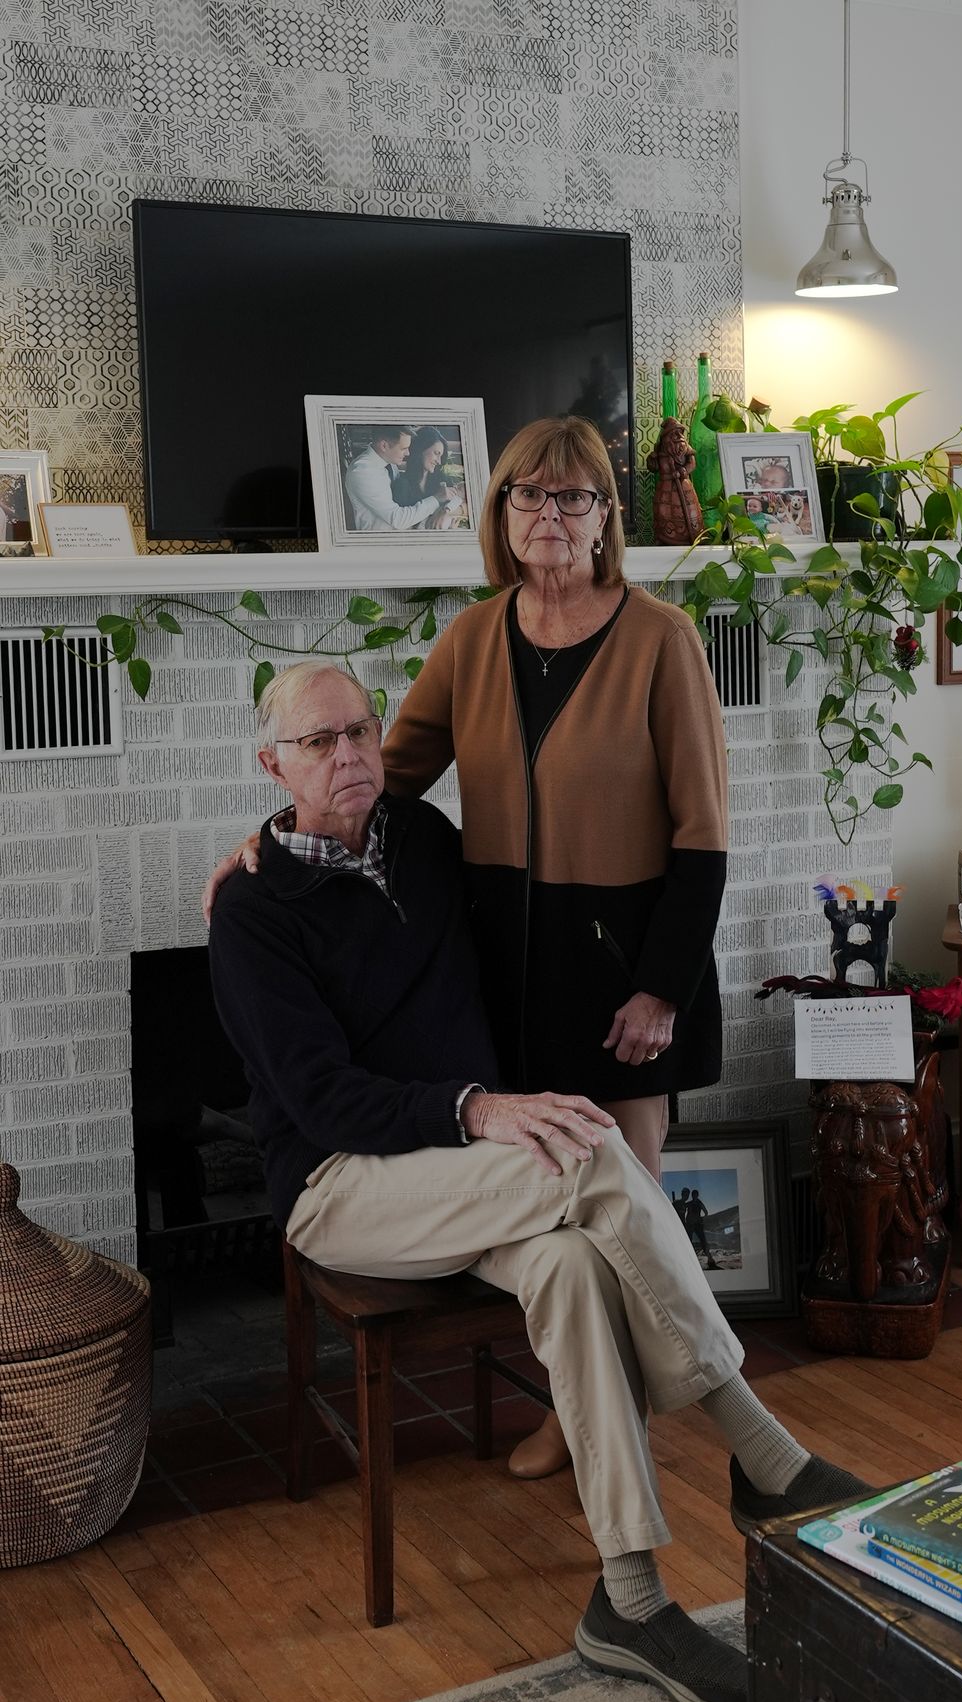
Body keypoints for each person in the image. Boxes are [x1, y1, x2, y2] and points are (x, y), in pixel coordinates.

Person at [207, 661, 870, 1702]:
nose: (350, 755)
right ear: (272, 763)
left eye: (363, 731)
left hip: (463, 1173)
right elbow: (321, 1099)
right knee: (587, 1148)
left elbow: (549, 909)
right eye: (320, 741)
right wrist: (480, 1107)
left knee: (566, 1260)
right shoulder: (250, 911)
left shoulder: (423, 841)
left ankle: (630, 1597)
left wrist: (649, 980)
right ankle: (762, 1452)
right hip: (340, 1185)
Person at [203, 414, 732, 1486]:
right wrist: (264, 838)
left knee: (622, 1187)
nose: (549, 515)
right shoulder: (473, 637)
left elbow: (705, 833)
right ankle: (598, 1414)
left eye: (572, 497)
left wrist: (660, 988)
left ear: (603, 517)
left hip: (630, 972)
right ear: (501, 516)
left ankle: (637, 1407)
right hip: (514, 971)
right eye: (528, 497)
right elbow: (369, 769)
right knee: (574, 1202)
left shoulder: (662, 638)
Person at [342, 427, 452, 533]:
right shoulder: (363, 471)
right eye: (403, 448)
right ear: (384, 446)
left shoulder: (388, 462)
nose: (408, 453)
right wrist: (436, 499)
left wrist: (446, 510)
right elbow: (398, 520)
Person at [391, 424, 463, 530]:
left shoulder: (443, 479)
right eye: (436, 453)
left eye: (441, 456)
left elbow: (463, 502)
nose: (438, 461)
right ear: (421, 449)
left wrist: (445, 512)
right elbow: (403, 525)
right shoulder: (402, 485)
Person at [682, 1188, 716, 1269]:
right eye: (693, 1195)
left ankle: (710, 1259)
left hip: (696, 1225)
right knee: (689, 1242)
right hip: (691, 1225)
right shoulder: (690, 1203)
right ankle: (688, 1260)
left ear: (696, 1195)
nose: (694, 1196)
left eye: (695, 1195)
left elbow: (706, 1212)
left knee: (703, 1241)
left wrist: (700, 1219)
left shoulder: (698, 1203)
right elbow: (683, 1207)